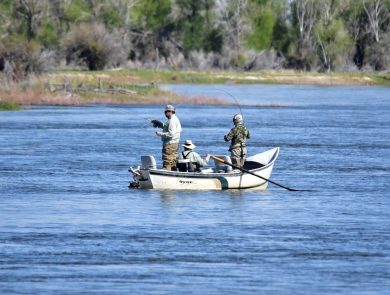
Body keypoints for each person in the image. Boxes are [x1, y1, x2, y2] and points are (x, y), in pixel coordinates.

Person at [150, 105, 182, 171]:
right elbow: (165, 126)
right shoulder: (172, 119)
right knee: (172, 161)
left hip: (170, 144)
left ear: (170, 111)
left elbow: (171, 133)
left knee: (167, 160)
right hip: (174, 143)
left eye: (165, 112)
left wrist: (160, 134)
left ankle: (167, 174)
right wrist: (157, 122)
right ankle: (173, 175)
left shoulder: (172, 121)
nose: (164, 113)